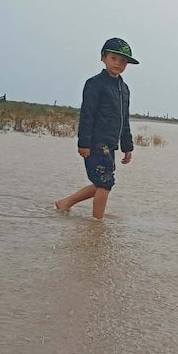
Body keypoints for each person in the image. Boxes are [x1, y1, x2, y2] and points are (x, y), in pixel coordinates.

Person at [54, 37, 139, 219]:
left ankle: (66, 203)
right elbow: (87, 114)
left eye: (123, 61)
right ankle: (97, 223)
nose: (118, 63)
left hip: (111, 145)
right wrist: (83, 143)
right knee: (105, 183)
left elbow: (124, 119)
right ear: (103, 58)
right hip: (95, 142)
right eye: (114, 58)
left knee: (103, 182)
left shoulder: (124, 89)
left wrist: (127, 146)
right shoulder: (95, 84)